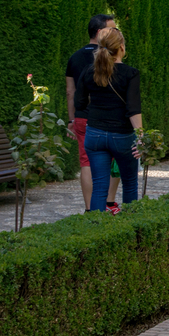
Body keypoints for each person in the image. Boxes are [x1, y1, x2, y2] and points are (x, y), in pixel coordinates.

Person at [74, 28, 143, 213]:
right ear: (121, 47)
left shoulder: (89, 72)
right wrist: (142, 136)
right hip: (122, 136)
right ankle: (130, 227)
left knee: (99, 187)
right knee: (129, 183)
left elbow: (79, 103)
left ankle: (97, 229)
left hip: (94, 134)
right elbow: (133, 109)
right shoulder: (130, 73)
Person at [66, 14, 121, 212]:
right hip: (107, 118)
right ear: (100, 33)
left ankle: (90, 208)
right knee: (114, 160)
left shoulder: (74, 57)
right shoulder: (111, 56)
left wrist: (71, 119)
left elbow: (70, 91)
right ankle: (108, 203)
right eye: (113, 30)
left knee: (86, 162)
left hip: (82, 117)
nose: (116, 33)